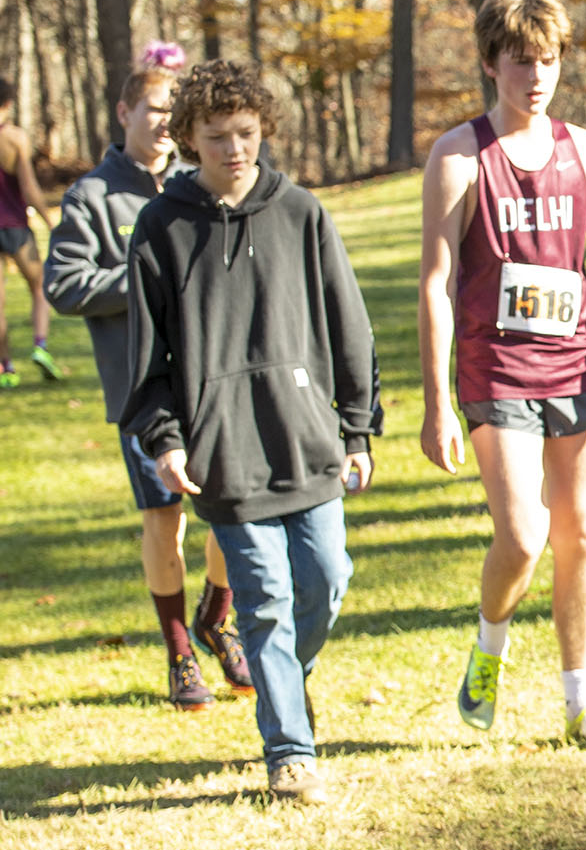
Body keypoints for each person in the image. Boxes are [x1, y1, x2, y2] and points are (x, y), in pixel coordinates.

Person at [122, 61, 379, 804]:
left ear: (263, 130)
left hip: (307, 440)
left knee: (326, 581)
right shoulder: (162, 228)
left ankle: (283, 688)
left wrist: (359, 429)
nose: (235, 149)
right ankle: (290, 750)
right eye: (217, 137)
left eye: (246, 133)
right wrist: (165, 439)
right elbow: (149, 358)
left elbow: (349, 325)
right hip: (223, 452)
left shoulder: (300, 211)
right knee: (262, 599)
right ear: (189, 141)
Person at [419, 0, 586, 753]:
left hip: (578, 365)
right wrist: (435, 403)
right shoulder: (460, 157)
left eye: (550, 60)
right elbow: (433, 279)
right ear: (491, 63)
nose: (537, 75)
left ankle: (580, 705)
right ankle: (490, 647)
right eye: (521, 60)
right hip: (495, 371)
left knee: (581, 535)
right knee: (524, 536)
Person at [44, 44, 252, 711]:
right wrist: (141, 277)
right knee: (165, 519)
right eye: (153, 111)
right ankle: (179, 653)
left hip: (216, 380)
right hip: (141, 389)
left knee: (227, 514)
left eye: (173, 113)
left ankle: (216, 618)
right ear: (124, 111)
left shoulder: (203, 184)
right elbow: (64, 284)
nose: (164, 123)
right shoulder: (94, 196)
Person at [0, 77, 60, 386]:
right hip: (15, 227)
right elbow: (28, 187)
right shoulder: (14, 139)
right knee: (39, 287)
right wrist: (51, 221)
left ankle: (6, 367)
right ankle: (40, 346)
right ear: (8, 104)